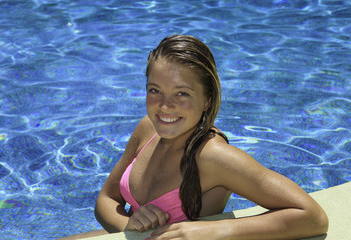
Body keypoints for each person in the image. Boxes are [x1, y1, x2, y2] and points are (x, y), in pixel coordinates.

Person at [62, 35, 328, 239]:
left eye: (182, 93)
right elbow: (106, 201)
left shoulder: (213, 156)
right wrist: (128, 225)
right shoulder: (147, 129)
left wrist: (212, 231)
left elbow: (312, 216)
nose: (165, 106)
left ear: (206, 100)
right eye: (155, 90)